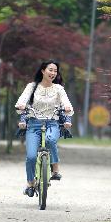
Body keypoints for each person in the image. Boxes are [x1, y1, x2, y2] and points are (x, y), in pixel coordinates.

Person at [15, 60, 73, 197]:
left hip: (52, 123)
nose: (53, 73)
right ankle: (30, 183)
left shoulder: (59, 89)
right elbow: (21, 101)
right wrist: (21, 106)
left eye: (55, 71)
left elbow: (67, 103)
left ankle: (55, 169)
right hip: (33, 124)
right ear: (42, 70)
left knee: (50, 140)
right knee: (30, 157)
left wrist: (67, 108)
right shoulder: (32, 87)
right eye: (50, 70)